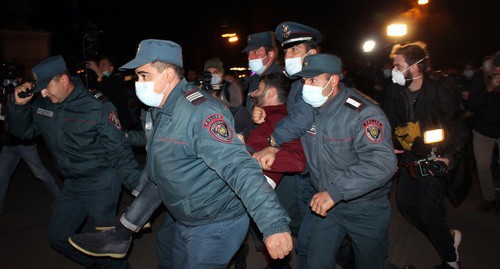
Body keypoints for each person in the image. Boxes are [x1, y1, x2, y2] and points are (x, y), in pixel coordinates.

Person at [69, 39, 293, 268]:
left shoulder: (200, 112)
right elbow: (163, 170)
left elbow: (239, 167)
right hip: (187, 219)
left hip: (216, 224)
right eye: (138, 77)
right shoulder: (162, 110)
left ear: (167, 75)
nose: (138, 83)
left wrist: (272, 223)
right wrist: (128, 223)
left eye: (144, 75)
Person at [8, 55, 142, 269]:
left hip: (102, 184)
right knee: (57, 237)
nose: (42, 93)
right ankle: (94, 264)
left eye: (47, 86)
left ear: (63, 79)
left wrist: (141, 190)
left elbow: (120, 153)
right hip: (72, 183)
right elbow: (22, 133)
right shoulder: (44, 103)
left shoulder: (97, 107)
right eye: (40, 88)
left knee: (105, 249)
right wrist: (19, 106)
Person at [290, 53, 398, 269]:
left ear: (334, 80)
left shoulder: (364, 113)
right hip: (327, 206)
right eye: (304, 81)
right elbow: (294, 140)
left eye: (313, 80)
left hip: (365, 207)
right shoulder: (308, 111)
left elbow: (381, 163)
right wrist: (271, 143)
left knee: (370, 264)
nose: (306, 87)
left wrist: (335, 192)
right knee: (316, 263)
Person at [383, 42, 470, 269]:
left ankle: (451, 261)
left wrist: (450, 158)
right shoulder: (395, 91)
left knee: (430, 211)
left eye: (398, 66)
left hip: (437, 155)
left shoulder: (440, 89)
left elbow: (458, 127)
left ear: (416, 67)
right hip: (410, 156)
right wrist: (388, 146)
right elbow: (389, 121)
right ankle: (446, 237)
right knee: (406, 204)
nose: (394, 71)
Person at [0, 73, 60, 214]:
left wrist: (23, 101)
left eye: (15, 80)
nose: (13, 84)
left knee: (40, 172)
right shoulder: (5, 95)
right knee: (2, 176)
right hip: (8, 144)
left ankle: (60, 196)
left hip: (25, 144)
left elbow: (32, 121)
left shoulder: (28, 95)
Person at [466, 51, 500, 213]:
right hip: (483, 129)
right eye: (495, 73)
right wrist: (490, 87)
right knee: (483, 166)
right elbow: (472, 104)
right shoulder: (480, 80)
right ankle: (489, 199)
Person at [86, 55, 135, 131]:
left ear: (111, 68)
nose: (100, 67)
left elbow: (109, 86)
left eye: (104, 65)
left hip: (122, 123)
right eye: (99, 66)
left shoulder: (116, 79)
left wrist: (97, 70)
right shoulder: (99, 82)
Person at [242, 31, 284, 113]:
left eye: (256, 52)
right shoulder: (254, 79)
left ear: (270, 55)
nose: (249, 57)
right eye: (248, 53)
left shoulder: (280, 79)